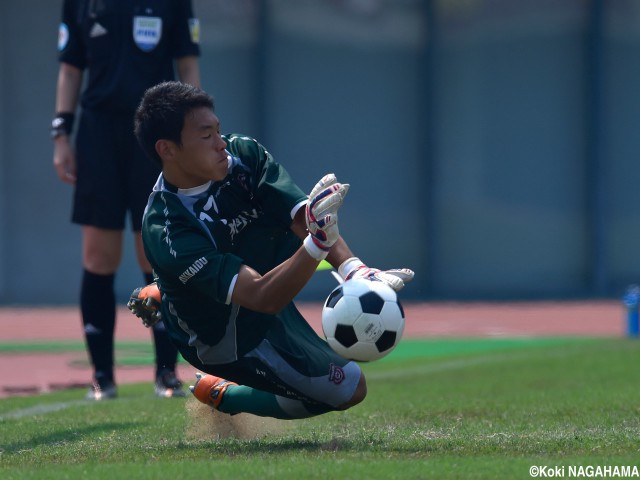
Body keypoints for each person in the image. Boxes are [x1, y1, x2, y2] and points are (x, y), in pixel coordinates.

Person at [128, 81, 414, 419]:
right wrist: (318, 242)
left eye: (218, 131)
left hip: (259, 277)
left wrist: (355, 270)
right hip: (230, 334)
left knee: (295, 216)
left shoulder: (242, 156)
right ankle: (226, 395)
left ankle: (168, 291)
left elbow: (302, 219)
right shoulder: (168, 229)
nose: (221, 144)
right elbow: (264, 297)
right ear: (168, 149)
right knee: (351, 388)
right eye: (206, 136)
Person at [51, 0, 201, 400]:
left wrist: (197, 130)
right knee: (99, 257)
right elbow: (70, 68)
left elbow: (187, 63)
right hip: (98, 132)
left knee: (152, 253)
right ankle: (102, 376)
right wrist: (60, 134)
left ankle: (166, 373)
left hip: (155, 136)